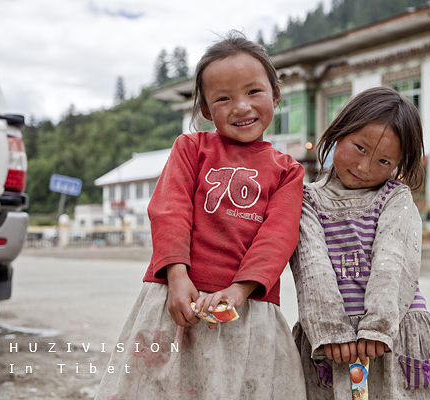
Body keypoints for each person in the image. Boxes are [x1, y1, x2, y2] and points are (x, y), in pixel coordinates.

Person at [95, 31, 306, 400]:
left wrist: (240, 290)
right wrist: (177, 277)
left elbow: (279, 235)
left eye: (254, 92)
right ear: (206, 109)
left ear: (275, 93)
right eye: (223, 98)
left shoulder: (288, 170)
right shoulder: (191, 148)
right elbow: (170, 210)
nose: (241, 107)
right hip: (177, 301)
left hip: (248, 310)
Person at [290, 87, 430, 399]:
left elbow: (394, 260)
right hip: (333, 341)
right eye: (359, 148)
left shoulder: (394, 197)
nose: (365, 168)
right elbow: (310, 265)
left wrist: (378, 326)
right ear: (339, 131)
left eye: (383, 160)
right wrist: (331, 330)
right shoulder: (307, 199)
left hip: (391, 332)